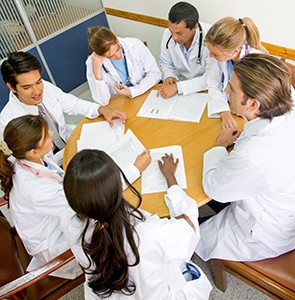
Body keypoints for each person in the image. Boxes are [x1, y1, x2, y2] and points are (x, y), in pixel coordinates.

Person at [0, 115, 151, 278]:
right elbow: (90, 198)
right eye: (46, 135)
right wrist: (134, 169)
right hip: (57, 246)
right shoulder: (36, 189)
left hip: (56, 218)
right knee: (124, 221)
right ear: (34, 151)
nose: (52, 133)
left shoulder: (26, 158)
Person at [61, 150, 212, 299]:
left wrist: (134, 169)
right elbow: (190, 227)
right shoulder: (149, 235)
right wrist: (171, 178)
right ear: (118, 190)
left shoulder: (68, 220)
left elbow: (95, 194)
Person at [195, 53, 295, 262]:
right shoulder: (288, 98)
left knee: (192, 236)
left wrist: (220, 145)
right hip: (284, 200)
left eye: (231, 88)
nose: (226, 91)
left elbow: (215, 188)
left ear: (253, 104)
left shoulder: (255, 155)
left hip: (266, 231)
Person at [0, 51, 126, 164]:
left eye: (38, 82)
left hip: (68, 141)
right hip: (50, 164)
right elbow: (29, 163)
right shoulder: (8, 122)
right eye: (27, 87)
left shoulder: (45, 87)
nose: (37, 91)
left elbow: (73, 104)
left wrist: (102, 109)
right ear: (11, 87)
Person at [205, 17, 268, 129]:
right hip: (232, 112)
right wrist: (224, 112)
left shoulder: (258, 64)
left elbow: (263, 104)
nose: (211, 56)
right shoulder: (222, 58)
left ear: (234, 52)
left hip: (253, 121)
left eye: (215, 54)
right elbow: (213, 84)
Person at [86, 26, 161, 106]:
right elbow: (103, 102)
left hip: (146, 93)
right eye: (111, 56)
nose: (118, 56)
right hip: (120, 104)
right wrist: (97, 73)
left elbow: (155, 74)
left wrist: (133, 91)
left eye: (118, 49)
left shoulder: (135, 45)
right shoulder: (92, 64)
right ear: (99, 55)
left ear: (116, 39)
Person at [158, 2, 210, 99]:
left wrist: (179, 87)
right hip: (179, 91)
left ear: (195, 27)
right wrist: (168, 76)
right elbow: (165, 62)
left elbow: (210, 77)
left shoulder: (211, 37)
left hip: (205, 92)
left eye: (179, 33)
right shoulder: (168, 34)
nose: (174, 37)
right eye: (171, 32)